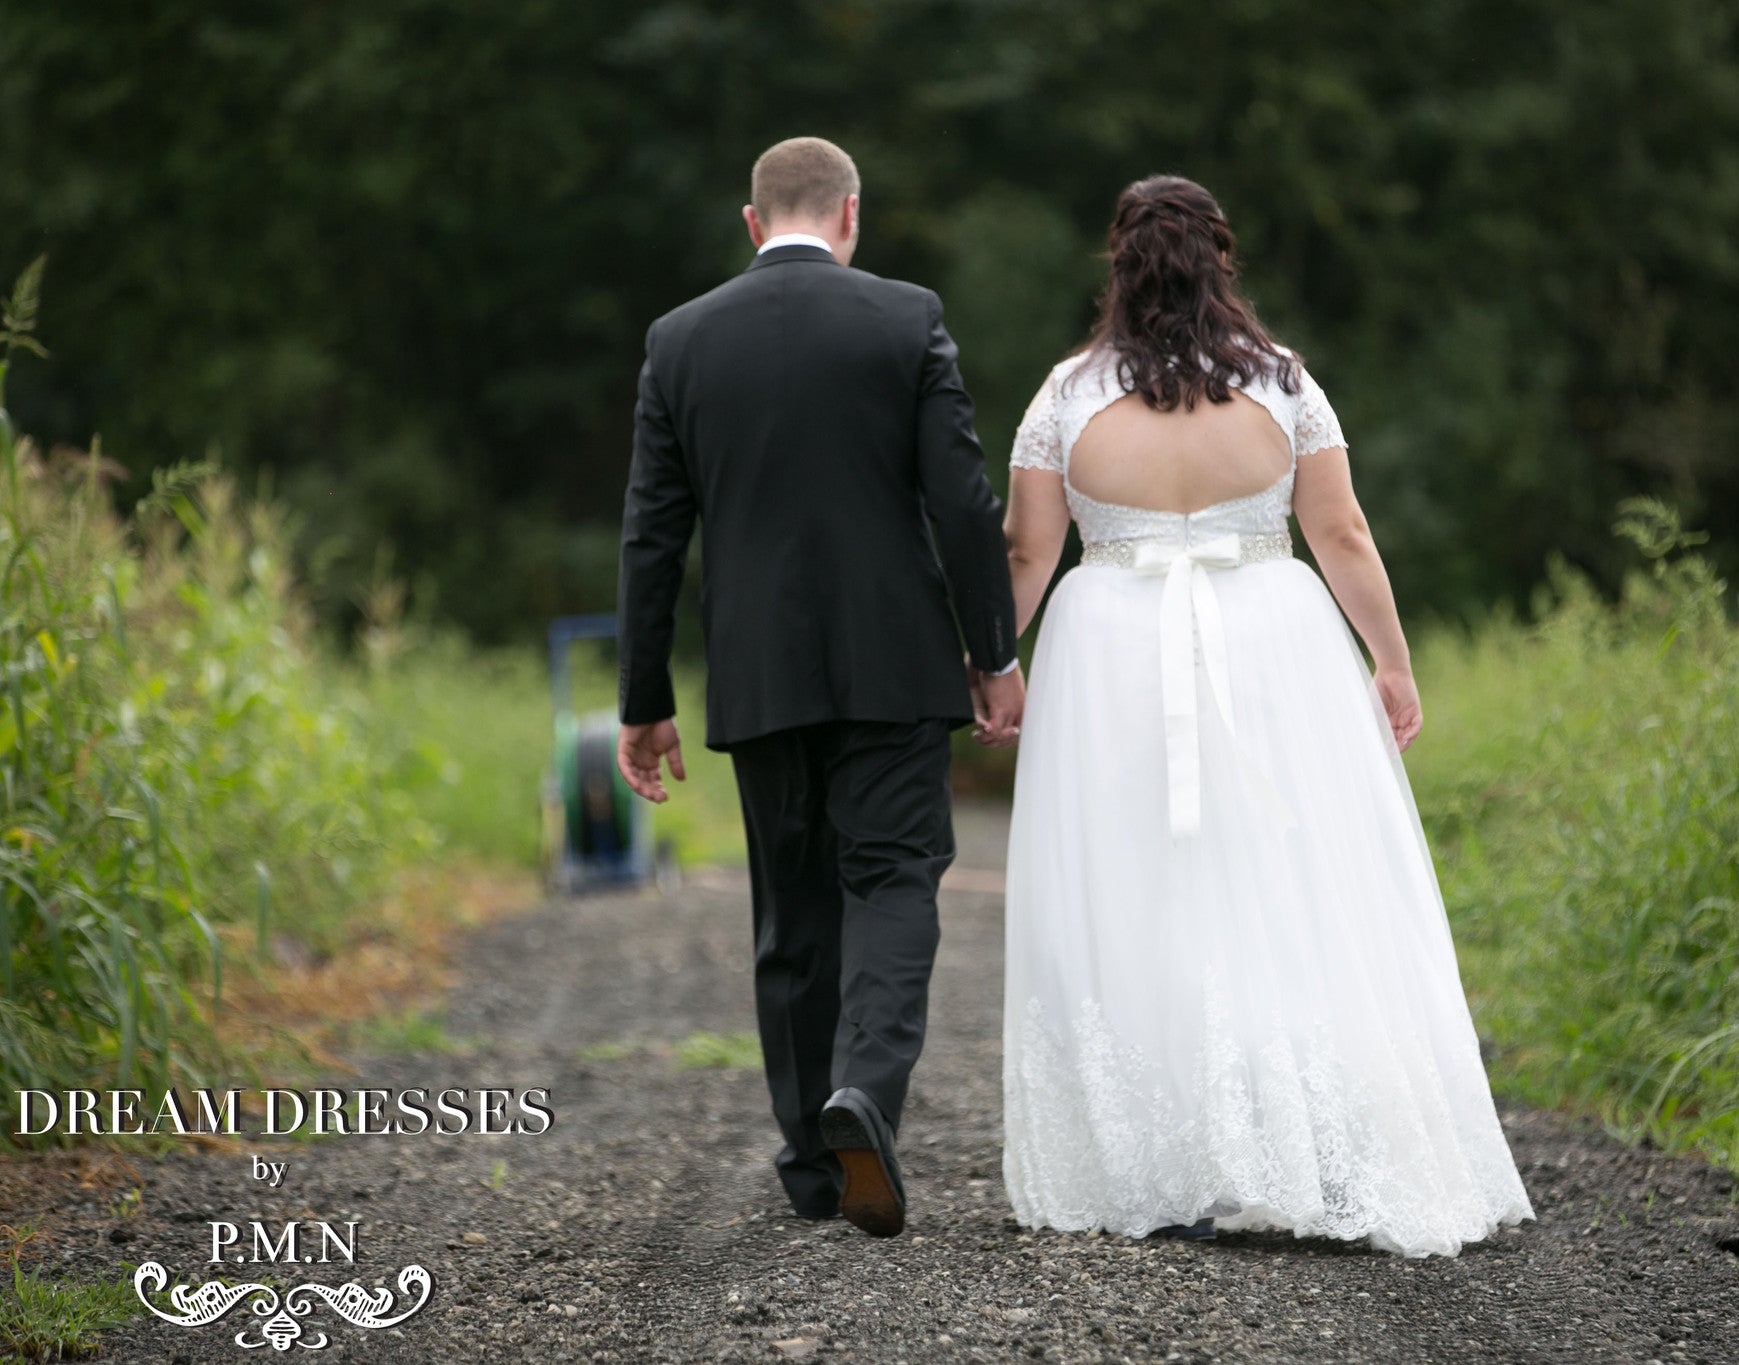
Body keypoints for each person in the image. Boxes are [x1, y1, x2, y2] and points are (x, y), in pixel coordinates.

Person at [995, 175, 1535, 1252]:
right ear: (1221, 262)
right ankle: (1321, 1152)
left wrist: (991, 664)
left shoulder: (1065, 395)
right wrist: (1390, 659)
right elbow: (1340, 535)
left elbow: (1025, 550)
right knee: (1296, 877)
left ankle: (1167, 1163)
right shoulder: (1286, 386)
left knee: (1134, 889)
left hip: (1109, 650)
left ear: (1118, 263)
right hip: (1275, 642)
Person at [613, 136, 1023, 1238]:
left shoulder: (679, 340)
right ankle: (865, 1098)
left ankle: (809, 1163)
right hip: (893, 666)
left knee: (791, 912)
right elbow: (962, 501)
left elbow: (652, 535)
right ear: (851, 216)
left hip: (759, 674)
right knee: (892, 879)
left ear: (752, 224)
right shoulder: (904, 319)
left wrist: (641, 698)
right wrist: (994, 653)